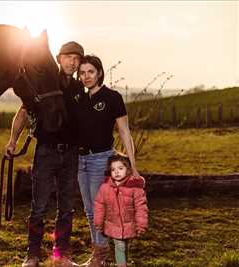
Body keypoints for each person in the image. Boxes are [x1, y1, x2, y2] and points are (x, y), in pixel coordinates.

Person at [5, 41, 84, 267]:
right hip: (46, 152)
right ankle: (32, 255)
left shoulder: (80, 88)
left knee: (66, 207)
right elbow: (22, 112)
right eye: (69, 57)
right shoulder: (46, 79)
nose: (73, 62)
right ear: (59, 59)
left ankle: (61, 255)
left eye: (77, 59)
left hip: (70, 154)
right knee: (38, 206)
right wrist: (12, 141)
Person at [74, 55, 140, 267]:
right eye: (82, 73)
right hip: (80, 161)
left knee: (99, 209)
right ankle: (99, 254)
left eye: (90, 72)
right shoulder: (79, 100)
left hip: (100, 160)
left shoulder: (112, 97)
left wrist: (133, 166)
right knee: (88, 209)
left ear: (99, 73)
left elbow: (124, 131)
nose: (86, 76)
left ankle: (101, 257)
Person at [94, 154, 148, 267]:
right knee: (120, 246)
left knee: (125, 246)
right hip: (114, 224)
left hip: (129, 225)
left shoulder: (135, 189)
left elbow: (141, 208)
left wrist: (141, 225)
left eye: (120, 168)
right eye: (113, 169)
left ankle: (124, 263)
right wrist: (98, 223)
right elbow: (99, 205)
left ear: (128, 170)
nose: (116, 172)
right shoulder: (105, 188)